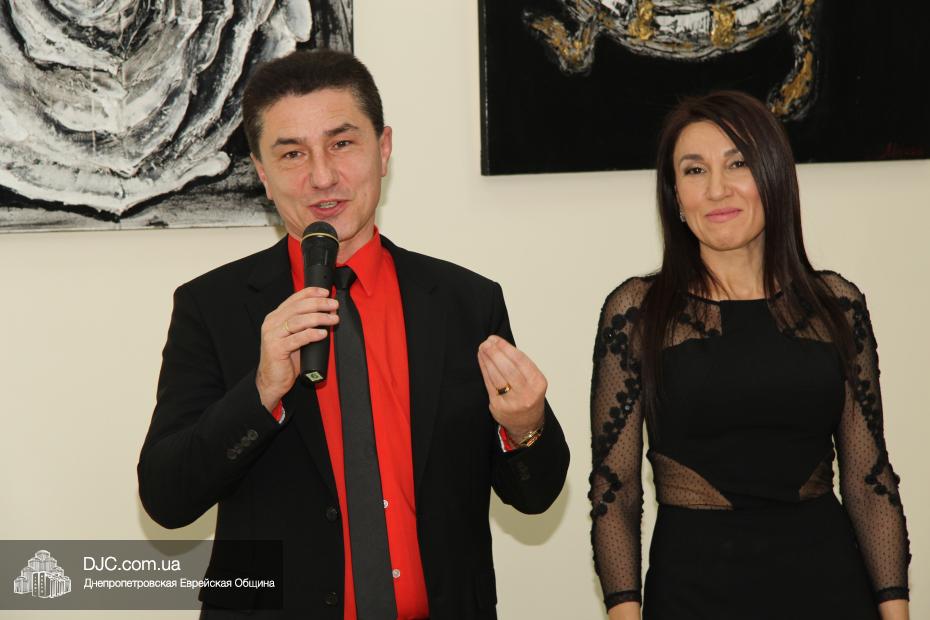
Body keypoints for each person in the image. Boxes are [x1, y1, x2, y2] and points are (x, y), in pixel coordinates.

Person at [138, 49, 569, 619]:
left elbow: (534, 496)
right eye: (292, 154)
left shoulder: (465, 302)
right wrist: (260, 392)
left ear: (383, 149)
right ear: (262, 173)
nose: (322, 177)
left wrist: (526, 427)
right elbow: (167, 498)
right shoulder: (213, 307)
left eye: (342, 144)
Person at [589, 91, 910, 620]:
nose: (717, 189)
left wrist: (895, 613)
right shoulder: (637, 312)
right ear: (675, 196)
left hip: (828, 587)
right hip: (692, 591)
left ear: (773, 177)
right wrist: (625, 612)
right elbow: (615, 492)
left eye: (737, 163)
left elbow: (868, 479)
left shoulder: (836, 304)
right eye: (694, 170)